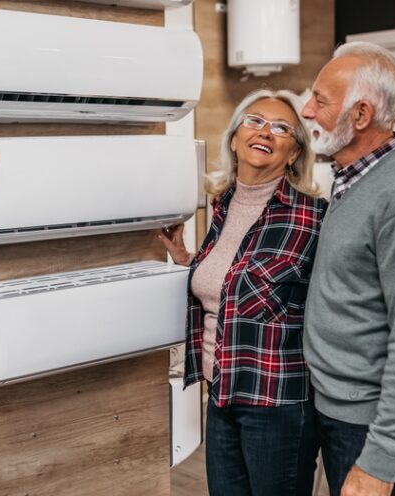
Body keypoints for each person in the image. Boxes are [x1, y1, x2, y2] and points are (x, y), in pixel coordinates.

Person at [300, 41, 395, 496]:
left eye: (321, 101)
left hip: (368, 424)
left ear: (361, 115)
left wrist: (380, 463)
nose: (306, 110)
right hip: (338, 409)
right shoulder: (350, 181)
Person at [159, 88, 326, 496]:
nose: (265, 132)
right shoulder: (222, 205)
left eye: (281, 128)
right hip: (221, 392)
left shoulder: (313, 217)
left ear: (294, 153)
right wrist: (185, 258)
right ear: (234, 138)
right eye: (254, 121)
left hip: (277, 402)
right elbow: (229, 286)